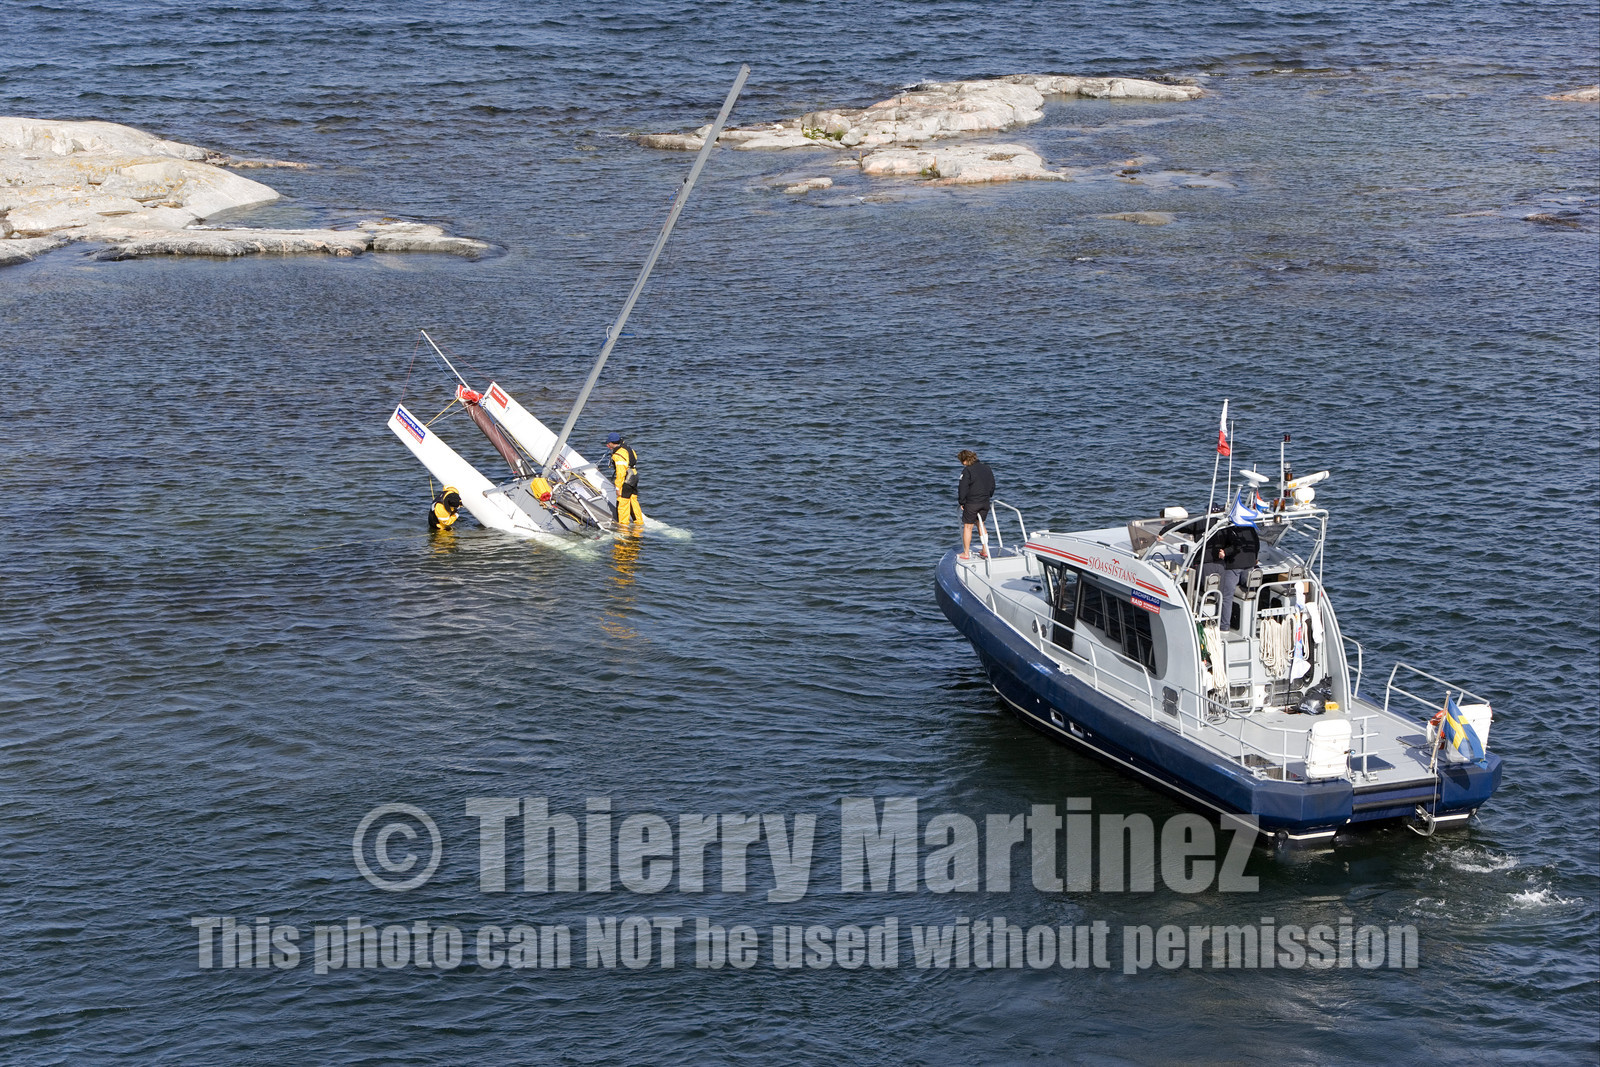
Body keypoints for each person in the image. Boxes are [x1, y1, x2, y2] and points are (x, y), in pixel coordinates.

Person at [1199, 508, 1260, 630]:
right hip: (1249, 567)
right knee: (1250, 587)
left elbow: (1231, 546)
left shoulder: (1228, 529)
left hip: (1234, 567)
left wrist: (1224, 553)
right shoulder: (1250, 528)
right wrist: (1254, 559)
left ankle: (1224, 626)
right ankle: (1252, 625)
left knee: (1226, 596)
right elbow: (1257, 544)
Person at [956, 449, 995, 560]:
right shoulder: (987, 468)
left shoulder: (967, 471)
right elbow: (992, 485)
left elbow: (962, 488)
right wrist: (988, 496)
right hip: (985, 501)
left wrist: (962, 502)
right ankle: (985, 550)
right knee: (981, 524)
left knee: (968, 526)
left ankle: (966, 553)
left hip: (972, 503)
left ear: (965, 460)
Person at [605, 432, 644, 524]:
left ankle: (623, 528)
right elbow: (634, 458)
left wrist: (618, 487)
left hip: (626, 480)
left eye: (608, 443)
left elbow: (621, 473)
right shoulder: (627, 448)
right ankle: (639, 522)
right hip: (634, 477)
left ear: (611, 443)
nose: (607, 445)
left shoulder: (618, 455)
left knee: (623, 504)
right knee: (633, 501)